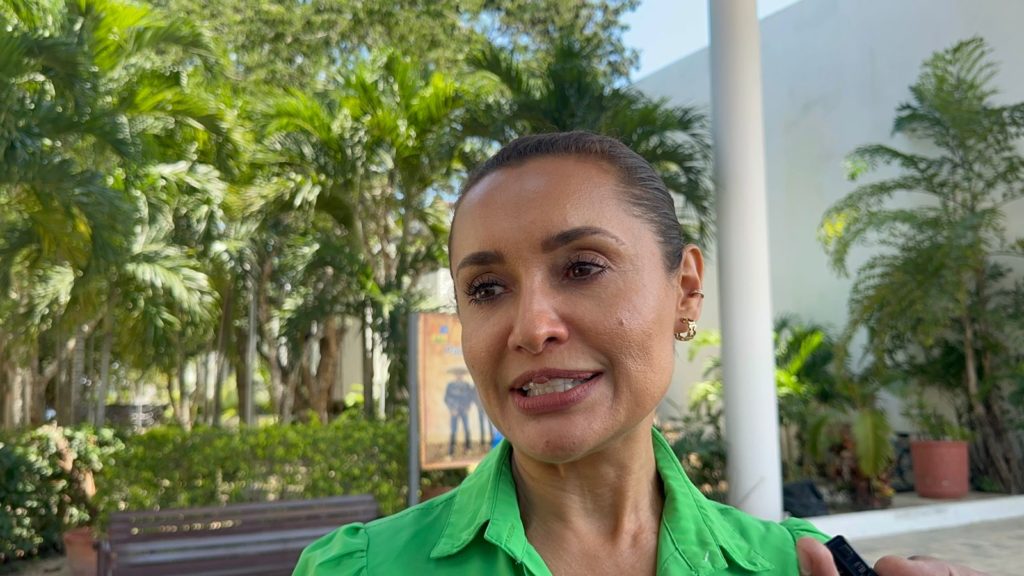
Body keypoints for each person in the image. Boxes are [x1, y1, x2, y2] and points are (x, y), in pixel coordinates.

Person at [294, 132, 987, 575]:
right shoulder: (359, 567)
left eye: (582, 267)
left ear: (685, 290)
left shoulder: (798, 566)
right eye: (487, 288)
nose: (532, 328)